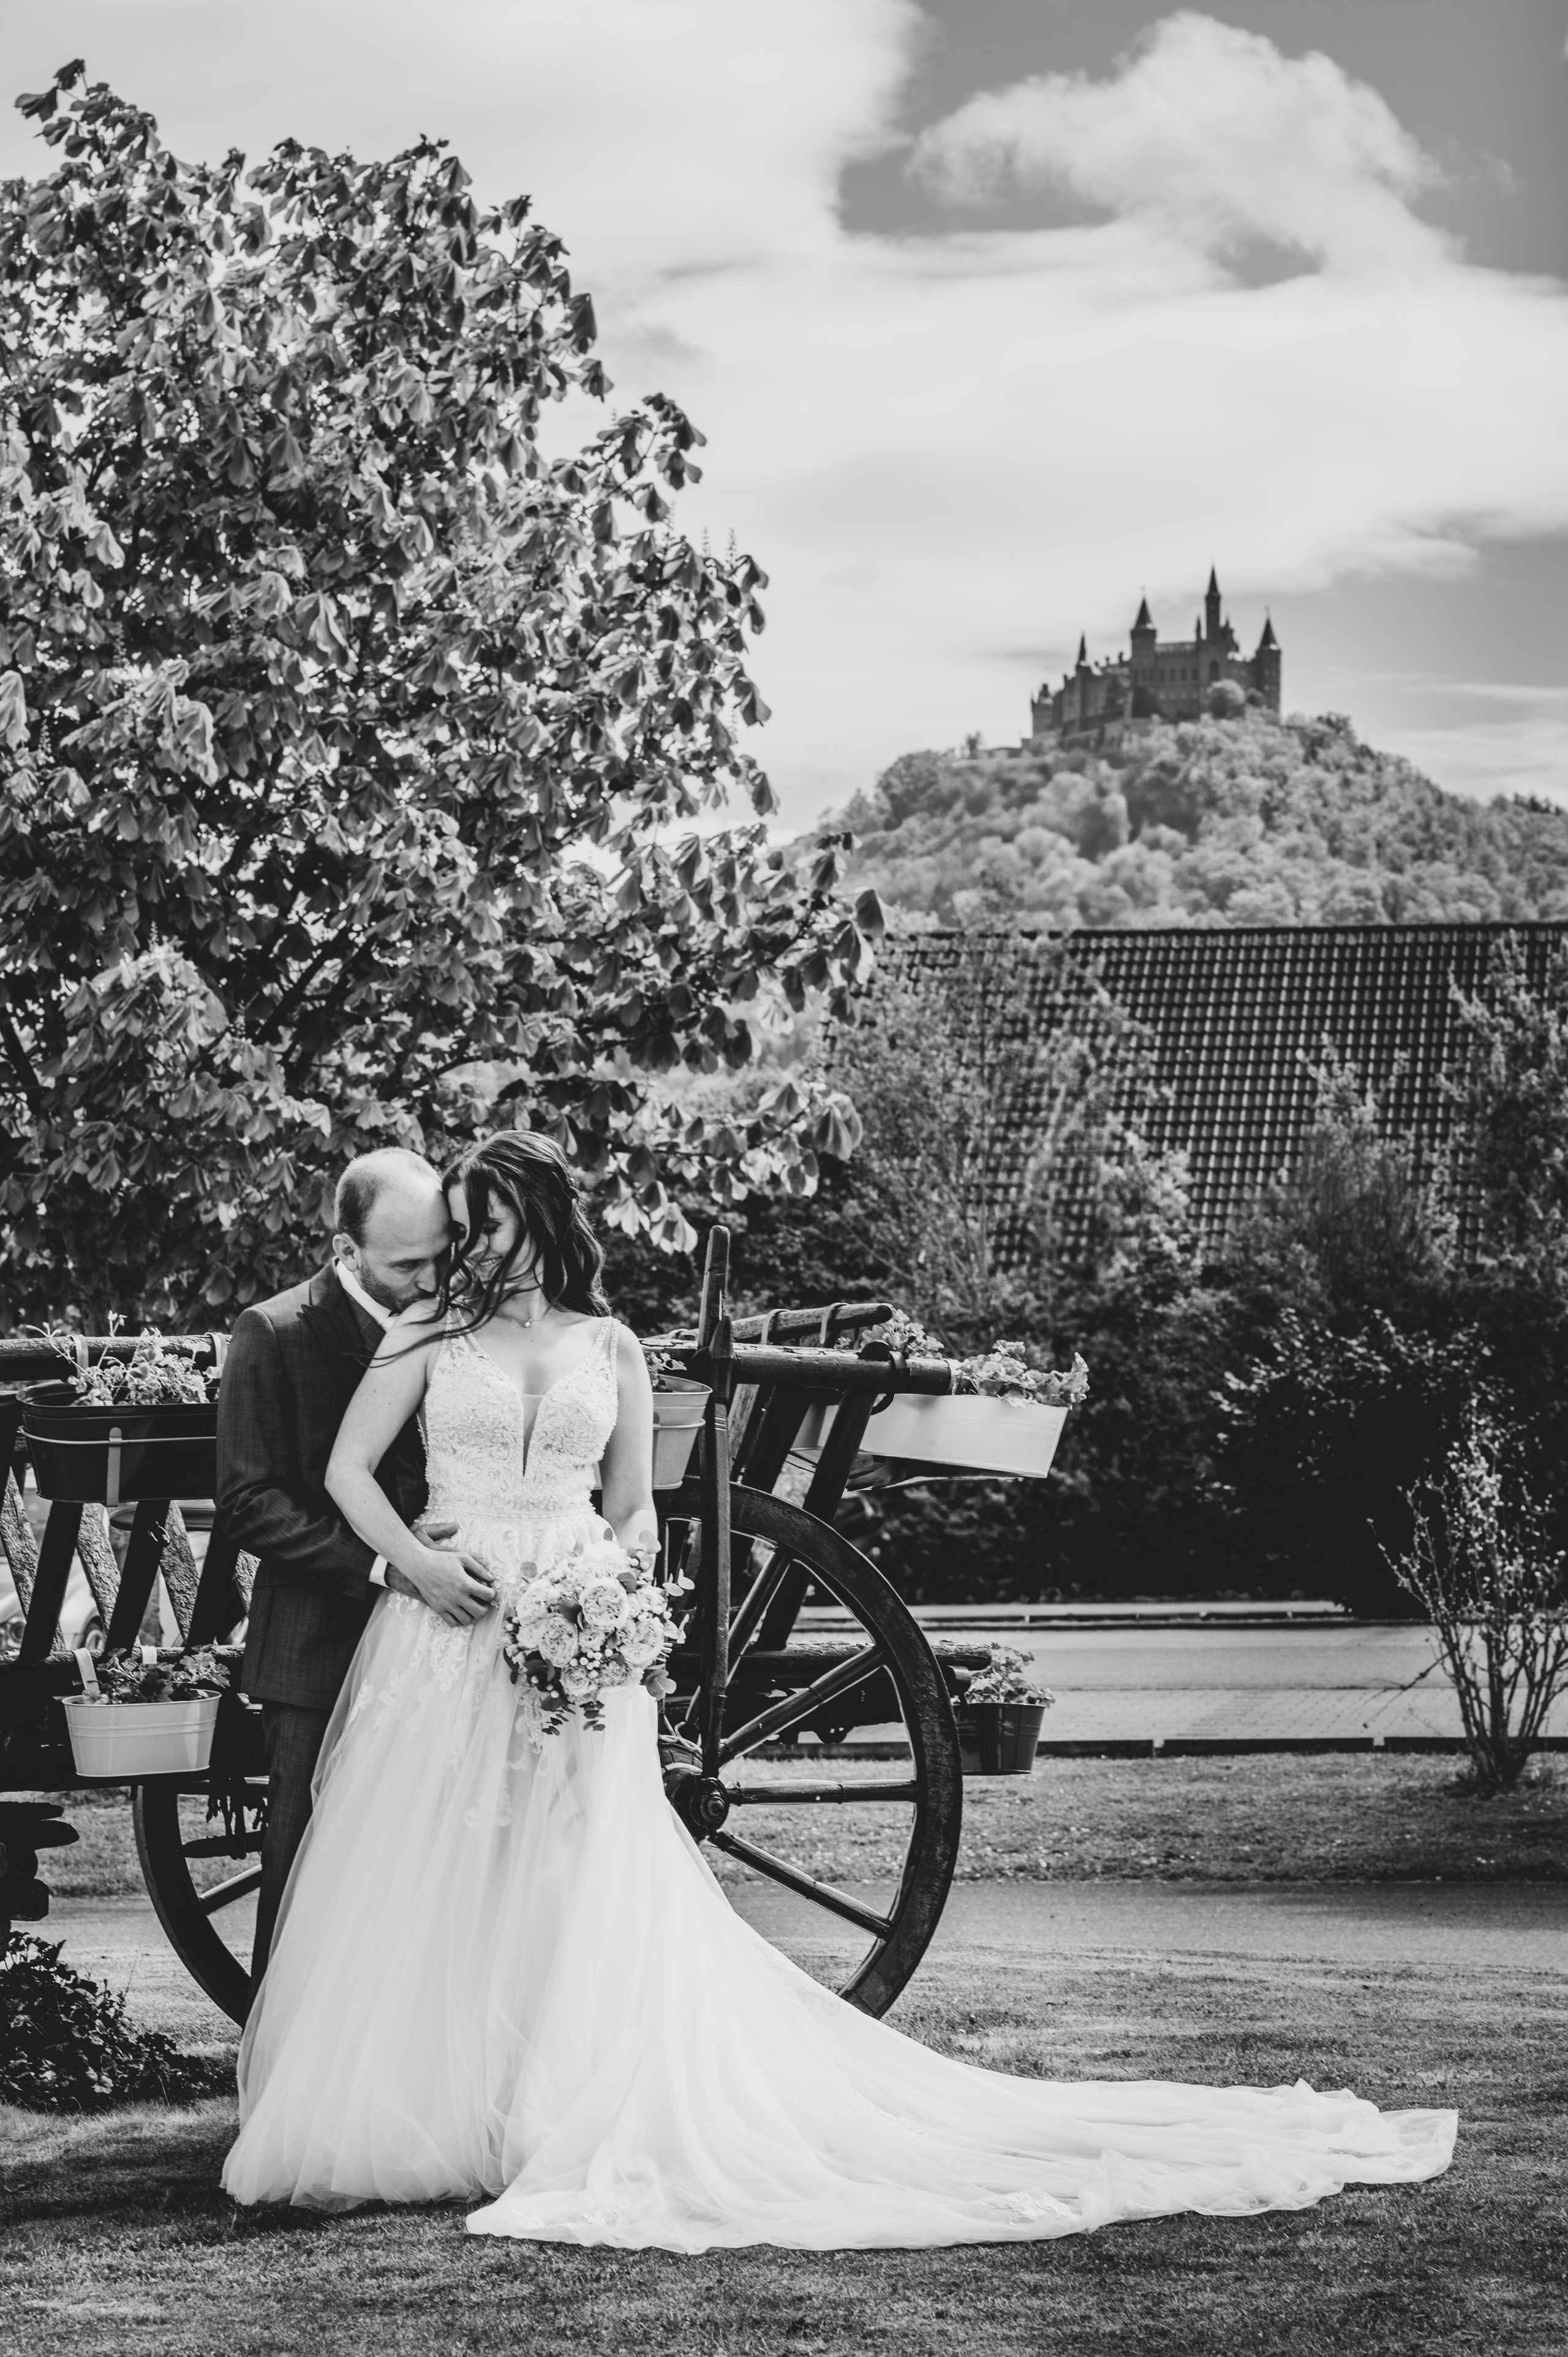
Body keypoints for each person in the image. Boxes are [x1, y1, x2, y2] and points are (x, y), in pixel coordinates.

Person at [222, 1131, 1456, 2247]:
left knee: (576, 1862)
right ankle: (427, 2105)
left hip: (578, 1620)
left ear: (537, 1222)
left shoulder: (609, 1347)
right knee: (441, 1858)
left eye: (479, 1223)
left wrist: (617, 1580)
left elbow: (636, 1497)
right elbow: (342, 1472)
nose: (460, 1249)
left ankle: (553, 2099)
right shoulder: (425, 1338)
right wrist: (425, 1568)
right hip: (451, 1623)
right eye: (453, 1228)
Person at [215, 1146, 496, 1985]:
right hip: (317, 1644)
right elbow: (248, 1500)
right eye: (407, 1263)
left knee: (432, 1859)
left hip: (450, 1647)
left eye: (442, 1254)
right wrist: (388, 1569)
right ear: (347, 1252)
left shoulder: (465, 1326)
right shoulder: (276, 1332)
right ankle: (274, 2078)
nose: (431, 1276)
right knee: (303, 1862)